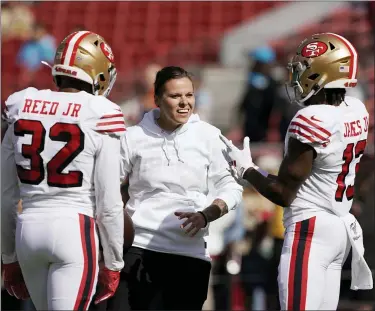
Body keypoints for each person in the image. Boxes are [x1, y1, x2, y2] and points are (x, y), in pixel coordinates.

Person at [220, 33, 373, 310]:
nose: (297, 77)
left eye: (304, 69)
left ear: (322, 72)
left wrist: (247, 169)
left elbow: (283, 194)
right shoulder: (357, 110)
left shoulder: (311, 119)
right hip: (340, 228)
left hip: (309, 231)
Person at [101, 66, 243, 311]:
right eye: (175, 96)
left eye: (189, 95)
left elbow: (231, 188)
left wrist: (206, 215)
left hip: (190, 255)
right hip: (139, 250)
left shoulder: (209, 136)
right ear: (156, 99)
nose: (184, 103)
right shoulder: (132, 136)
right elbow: (107, 185)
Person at [1, 30, 125, 310]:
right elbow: (109, 203)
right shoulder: (100, 111)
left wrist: (8, 257)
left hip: (28, 227)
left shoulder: (21, 104)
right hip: (74, 227)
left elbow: (5, 195)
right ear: (98, 72)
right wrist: (114, 262)